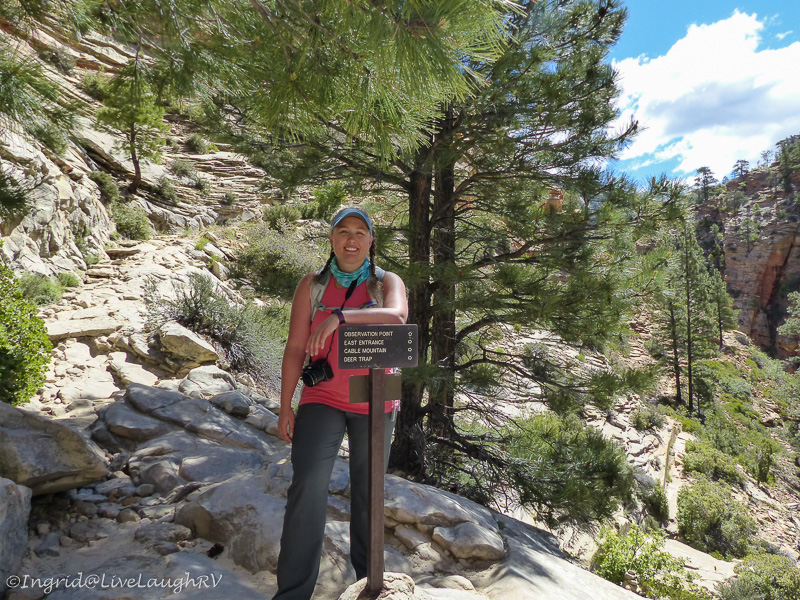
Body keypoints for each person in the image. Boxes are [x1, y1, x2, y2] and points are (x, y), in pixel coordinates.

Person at [272, 207, 408, 600]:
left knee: (369, 495)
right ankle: (293, 593)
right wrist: (286, 406)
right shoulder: (312, 285)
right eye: (343, 231)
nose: (351, 239)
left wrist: (340, 318)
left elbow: (397, 316)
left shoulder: (387, 283)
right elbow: (295, 347)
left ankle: (370, 585)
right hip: (322, 398)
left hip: (377, 401)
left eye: (360, 232)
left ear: (371, 241)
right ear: (331, 240)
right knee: (307, 489)